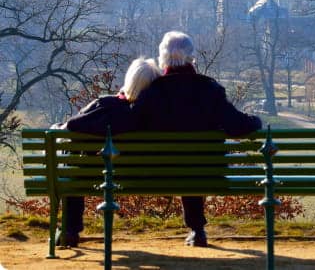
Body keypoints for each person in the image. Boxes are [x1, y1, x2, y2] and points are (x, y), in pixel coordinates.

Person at [132, 31, 262, 247]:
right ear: (192, 57)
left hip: (156, 173)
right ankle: (197, 229)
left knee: (182, 162)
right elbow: (237, 125)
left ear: (162, 58)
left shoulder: (151, 92)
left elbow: (132, 124)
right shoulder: (210, 89)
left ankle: (196, 228)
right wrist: (256, 121)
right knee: (193, 163)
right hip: (207, 171)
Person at [54, 57, 161, 247]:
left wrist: (57, 126)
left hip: (98, 177)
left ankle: (70, 230)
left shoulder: (106, 106)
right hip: (150, 177)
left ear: (129, 80)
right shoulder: (160, 115)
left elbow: (71, 126)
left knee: (71, 165)